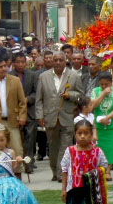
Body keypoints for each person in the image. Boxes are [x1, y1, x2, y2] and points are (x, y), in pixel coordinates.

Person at [58, 118, 109, 204]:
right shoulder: (70, 151)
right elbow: (64, 169)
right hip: (74, 190)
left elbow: (104, 166)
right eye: (79, 133)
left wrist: (94, 175)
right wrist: (64, 189)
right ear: (75, 134)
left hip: (90, 192)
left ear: (91, 134)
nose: (82, 136)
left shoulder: (97, 152)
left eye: (86, 133)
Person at [35, 51, 86, 182]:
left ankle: (61, 173)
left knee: (65, 146)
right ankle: (55, 170)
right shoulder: (43, 77)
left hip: (67, 116)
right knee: (53, 147)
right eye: (55, 60)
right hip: (50, 117)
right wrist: (39, 115)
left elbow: (81, 95)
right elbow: (39, 99)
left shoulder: (73, 76)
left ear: (65, 61)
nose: (58, 62)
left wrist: (70, 95)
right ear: (52, 61)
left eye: (60, 60)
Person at [90, 72, 113, 181]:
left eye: (107, 84)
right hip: (98, 126)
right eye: (102, 84)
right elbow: (92, 105)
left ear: (111, 82)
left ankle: (108, 170)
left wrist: (108, 117)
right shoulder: (95, 91)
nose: (104, 86)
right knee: (99, 149)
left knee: (111, 149)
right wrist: (103, 94)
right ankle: (100, 170)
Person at [10, 52, 39, 175]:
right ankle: (18, 164)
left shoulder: (32, 75)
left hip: (30, 112)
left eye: (23, 62)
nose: (20, 64)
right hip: (14, 112)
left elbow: (36, 92)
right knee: (17, 140)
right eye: (18, 62)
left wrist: (27, 99)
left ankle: (29, 164)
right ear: (13, 63)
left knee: (30, 139)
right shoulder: (9, 76)